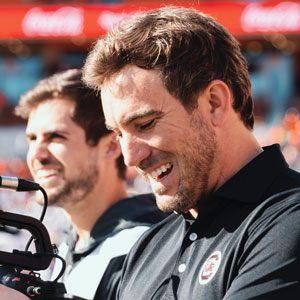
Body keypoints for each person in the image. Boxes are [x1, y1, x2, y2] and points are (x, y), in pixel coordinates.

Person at [2, 6, 300, 300]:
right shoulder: (150, 246)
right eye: (119, 133)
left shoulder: (288, 220)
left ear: (214, 103)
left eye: (145, 124)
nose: (130, 157)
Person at [5, 68, 166, 300]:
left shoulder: (144, 247)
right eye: (32, 138)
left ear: (111, 146)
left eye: (56, 137)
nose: (36, 155)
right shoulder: (73, 243)